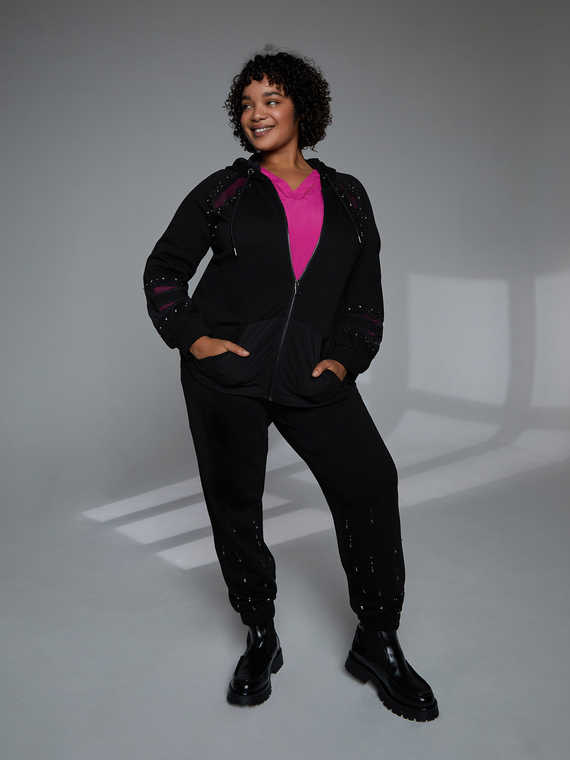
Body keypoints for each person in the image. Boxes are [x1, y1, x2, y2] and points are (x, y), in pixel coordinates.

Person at [144, 49, 438, 721]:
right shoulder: (224, 190)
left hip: (311, 374)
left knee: (369, 482)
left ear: (302, 106)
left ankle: (377, 638)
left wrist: (345, 360)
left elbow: (364, 297)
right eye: (247, 104)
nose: (257, 114)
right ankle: (260, 632)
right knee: (236, 502)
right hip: (227, 376)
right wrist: (193, 338)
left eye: (271, 99)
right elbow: (164, 268)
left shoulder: (348, 195)